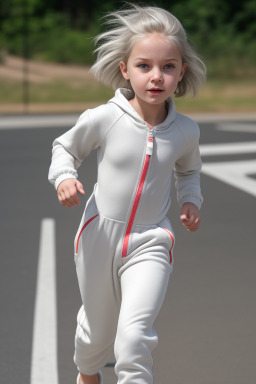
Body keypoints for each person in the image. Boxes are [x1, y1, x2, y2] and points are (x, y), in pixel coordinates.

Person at [48, 4, 206, 384]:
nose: (156, 77)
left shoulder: (185, 131)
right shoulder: (105, 117)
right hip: (99, 235)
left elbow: (190, 170)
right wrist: (65, 177)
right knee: (97, 335)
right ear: (125, 69)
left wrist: (191, 200)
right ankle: (88, 374)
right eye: (144, 66)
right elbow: (64, 149)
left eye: (168, 67)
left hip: (151, 240)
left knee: (134, 337)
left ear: (181, 71)